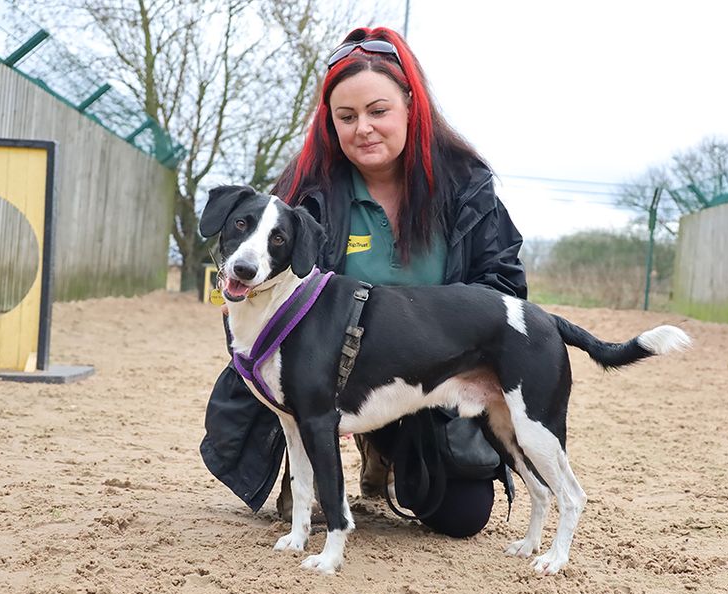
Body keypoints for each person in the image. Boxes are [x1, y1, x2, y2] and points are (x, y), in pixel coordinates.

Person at [200, 26, 527, 538]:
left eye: (378, 111)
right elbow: (253, 281)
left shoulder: (467, 185)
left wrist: (442, 347)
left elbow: (503, 285)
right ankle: (344, 441)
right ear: (330, 123)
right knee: (299, 512)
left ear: (410, 107)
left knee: (462, 517)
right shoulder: (304, 192)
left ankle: (389, 452)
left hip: (432, 374)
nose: (363, 129)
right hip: (328, 377)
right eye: (346, 117)